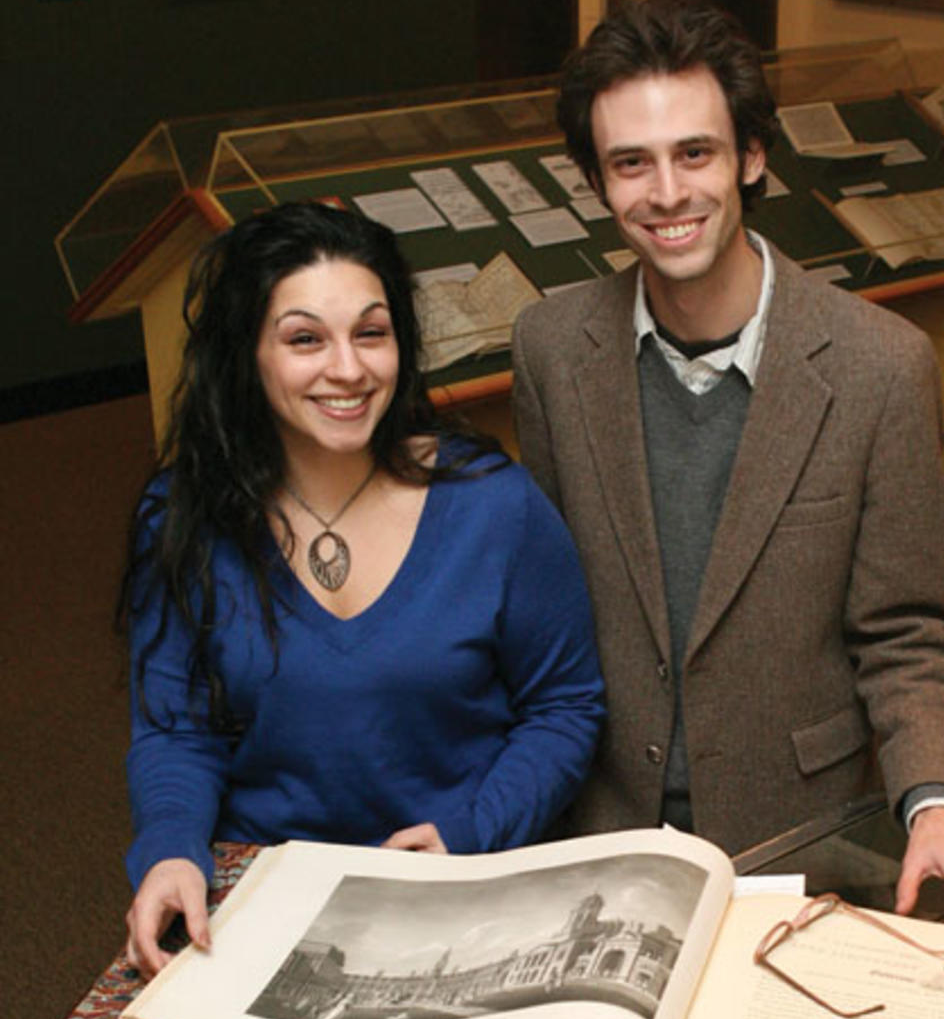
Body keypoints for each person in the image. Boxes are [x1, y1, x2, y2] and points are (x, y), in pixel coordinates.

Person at [511, 0, 944, 932]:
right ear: (598, 181)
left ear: (751, 156)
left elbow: (908, 631)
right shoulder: (552, 349)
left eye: (696, 153)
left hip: (800, 841)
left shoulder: (880, 366)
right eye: (631, 162)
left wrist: (941, 802)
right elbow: (544, 616)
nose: (667, 192)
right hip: (601, 835)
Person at [123, 201, 605, 977]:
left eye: (370, 333)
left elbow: (566, 705)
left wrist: (471, 827)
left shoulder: (493, 503)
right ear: (247, 353)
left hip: (465, 889)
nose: (347, 369)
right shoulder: (182, 515)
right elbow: (176, 730)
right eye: (305, 339)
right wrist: (171, 850)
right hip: (270, 900)